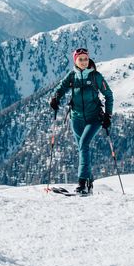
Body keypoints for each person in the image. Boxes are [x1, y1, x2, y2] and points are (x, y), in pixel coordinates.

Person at [48, 46, 114, 194]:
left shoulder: (96, 77)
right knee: (82, 149)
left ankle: (82, 184)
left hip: (94, 118)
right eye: (80, 59)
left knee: (84, 144)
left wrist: (108, 116)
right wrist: (55, 98)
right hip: (76, 118)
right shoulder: (72, 76)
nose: (84, 62)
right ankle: (89, 183)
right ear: (75, 61)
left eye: (85, 59)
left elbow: (109, 95)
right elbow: (61, 88)